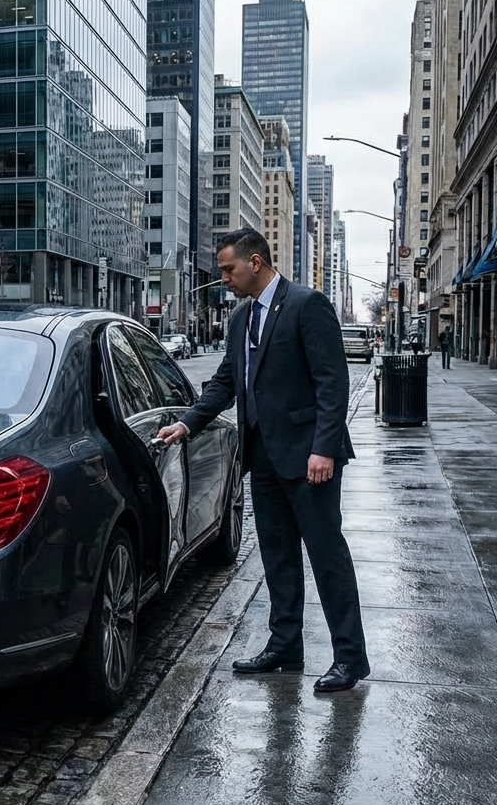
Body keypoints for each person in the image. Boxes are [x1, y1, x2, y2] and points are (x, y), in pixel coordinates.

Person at [158, 228, 370, 693]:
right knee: (278, 557)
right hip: (265, 459)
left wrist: (323, 448)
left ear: (255, 263)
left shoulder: (305, 305)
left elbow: (332, 383)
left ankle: (350, 658)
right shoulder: (239, 320)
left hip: (308, 458)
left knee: (326, 557)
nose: (224, 279)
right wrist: (188, 424)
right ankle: (285, 646)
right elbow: (224, 382)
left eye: (229, 269)